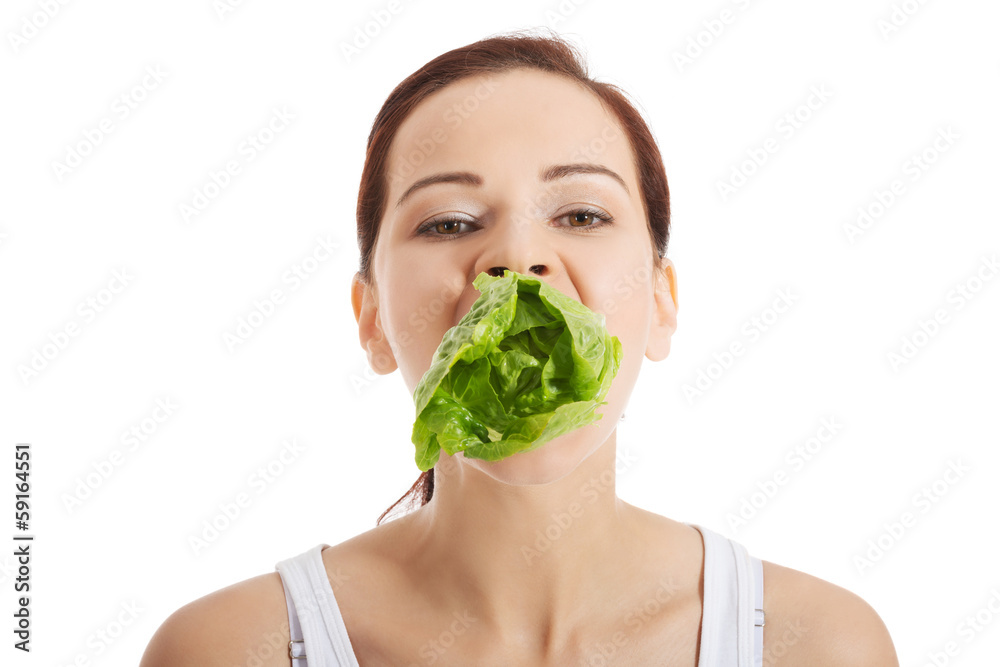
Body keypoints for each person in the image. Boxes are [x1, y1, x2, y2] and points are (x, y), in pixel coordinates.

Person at [140, 29, 899, 666]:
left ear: (662, 301)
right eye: (449, 222)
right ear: (370, 319)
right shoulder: (228, 648)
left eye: (581, 214)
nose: (516, 258)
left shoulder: (818, 645)